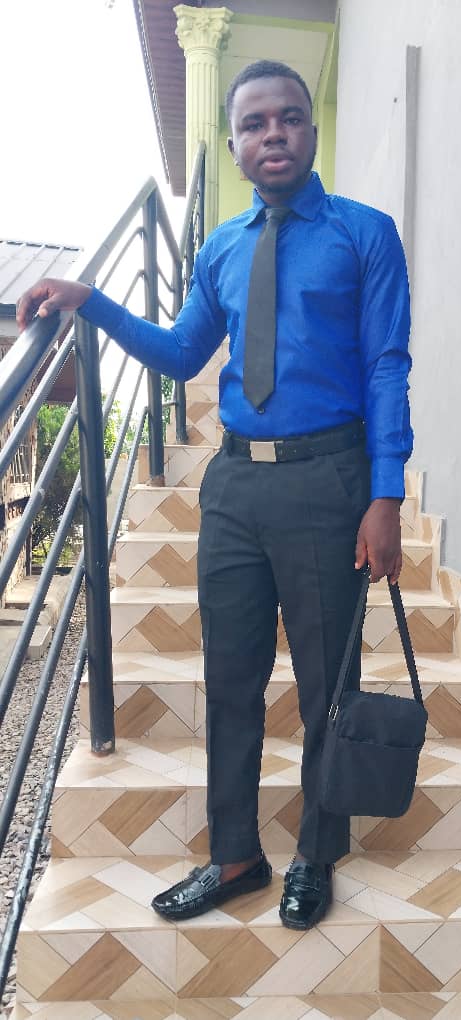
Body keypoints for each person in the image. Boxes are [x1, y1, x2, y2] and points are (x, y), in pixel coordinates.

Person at [17, 60, 413, 931]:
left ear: (311, 131)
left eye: (290, 118)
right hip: (233, 485)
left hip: (329, 480)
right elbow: (180, 353)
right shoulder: (221, 249)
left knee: (326, 683)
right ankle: (235, 854)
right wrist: (93, 302)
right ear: (234, 147)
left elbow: (388, 365)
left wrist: (386, 494)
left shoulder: (365, 235)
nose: (274, 134)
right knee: (231, 677)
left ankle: (316, 852)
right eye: (255, 123)